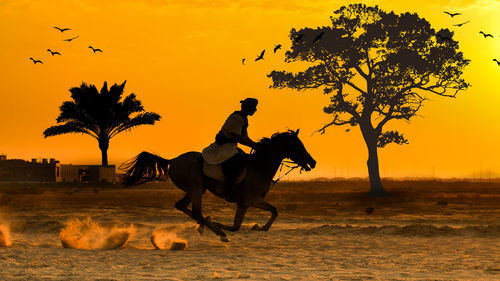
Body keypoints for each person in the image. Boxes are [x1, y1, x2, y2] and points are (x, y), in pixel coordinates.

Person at [202, 98, 259, 201]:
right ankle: (228, 190)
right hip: (224, 146)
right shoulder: (237, 118)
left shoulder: (243, 118)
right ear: (249, 108)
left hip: (232, 146)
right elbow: (237, 137)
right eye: (254, 107)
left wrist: (255, 145)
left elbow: (245, 137)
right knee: (237, 163)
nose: (255, 110)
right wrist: (253, 146)